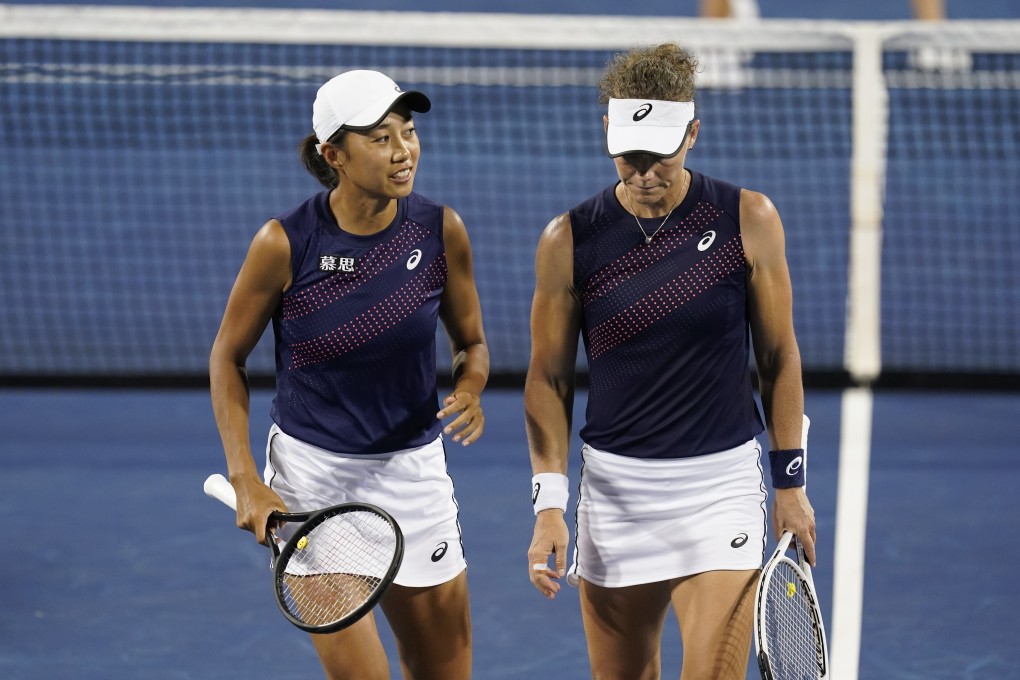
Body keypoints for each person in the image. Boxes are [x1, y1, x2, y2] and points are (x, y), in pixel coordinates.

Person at [524, 43, 817, 679]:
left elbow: (777, 354)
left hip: (721, 490)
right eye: (629, 154)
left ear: (693, 133)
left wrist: (790, 483)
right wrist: (549, 502)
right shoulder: (569, 240)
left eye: (662, 152)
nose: (644, 170)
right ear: (607, 131)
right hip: (616, 495)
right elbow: (547, 379)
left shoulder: (748, 218)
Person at [209, 69, 488, 680]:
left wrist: (469, 387)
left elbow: (471, 342)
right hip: (314, 485)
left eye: (408, 132)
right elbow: (227, 357)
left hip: (414, 477)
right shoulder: (284, 243)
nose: (403, 150)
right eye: (381, 137)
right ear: (333, 154)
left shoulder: (442, 231)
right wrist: (246, 477)